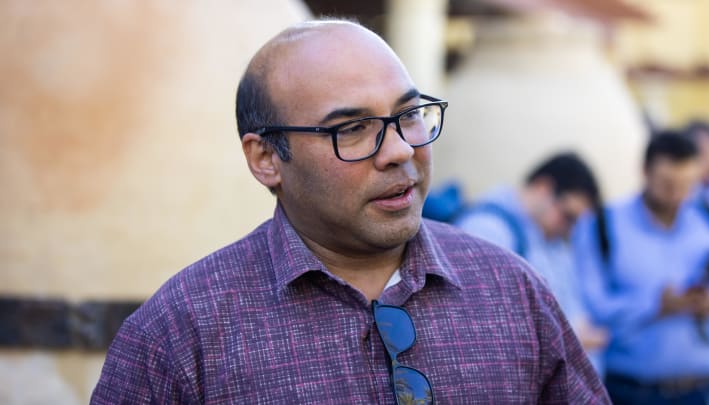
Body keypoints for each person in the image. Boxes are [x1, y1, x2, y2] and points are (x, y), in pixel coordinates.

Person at [91, 19, 609, 404]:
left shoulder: (513, 292)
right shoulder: (183, 334)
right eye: (352, 129)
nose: (401, 150)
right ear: (267, 158)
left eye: (408, 115)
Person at [572, 131, 709, 404]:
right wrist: (655, 305)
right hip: (631, 390)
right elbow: (591, 306)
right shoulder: (602, 224)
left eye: (686, 184)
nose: (677, 194)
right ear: (644, 172)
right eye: (667, 183)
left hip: (707, 388)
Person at [454, 153, 609, 374]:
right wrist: (568, 340)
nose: (570, 229)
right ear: (543, 188)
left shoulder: (550, 241)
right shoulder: (487, 230)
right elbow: (479, 327)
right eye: (568, 216)